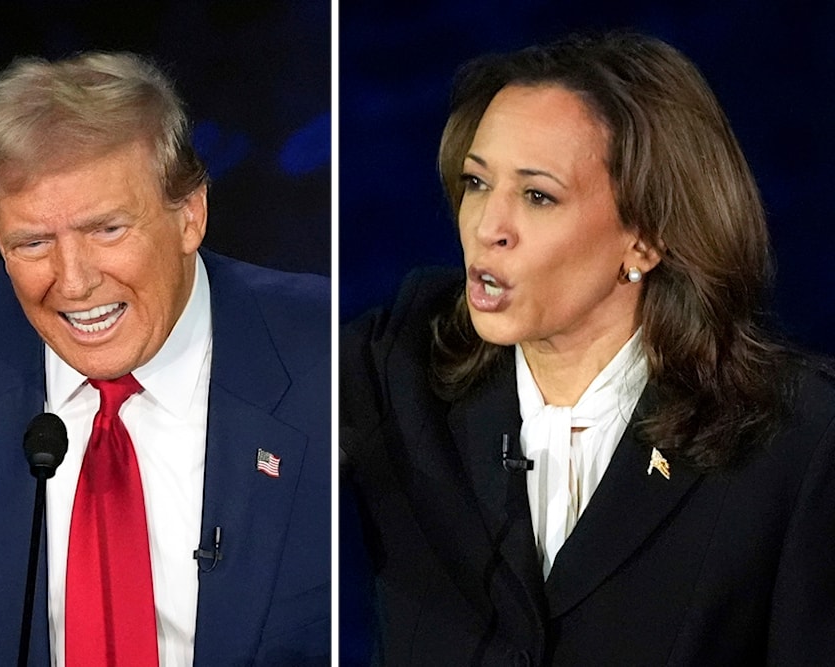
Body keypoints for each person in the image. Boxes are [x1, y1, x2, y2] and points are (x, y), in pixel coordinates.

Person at [340, 31, 835, 665]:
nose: (488, 228)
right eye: (476, 183)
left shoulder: (795, 444)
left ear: (645, 240)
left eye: (537, 196)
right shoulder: (397, 369)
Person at [0, 51, 330, 666]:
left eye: (107, 230)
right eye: (33, 242)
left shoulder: (336, 361)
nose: (72, 283)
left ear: (190, 215)